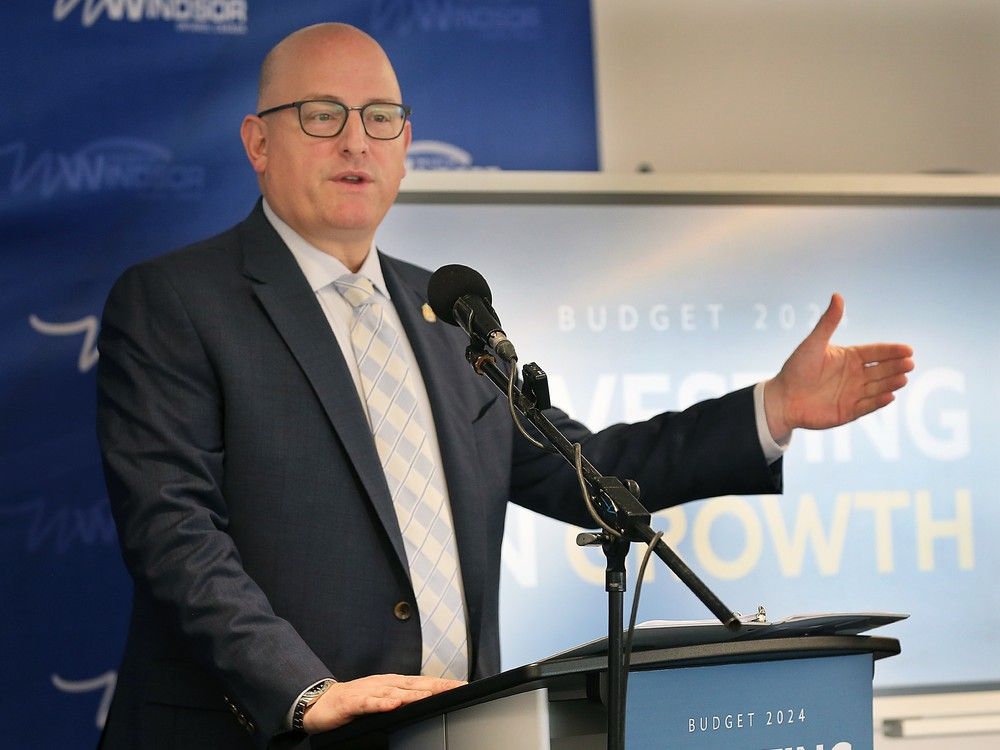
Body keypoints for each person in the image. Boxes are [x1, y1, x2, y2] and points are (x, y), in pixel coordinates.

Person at [95, 22, 914, 750]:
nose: (356, 141)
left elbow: (585, 469)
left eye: (382, 118)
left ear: (406, 146)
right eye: (322, 115)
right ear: (258, 141)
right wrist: (306, 691)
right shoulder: (177, 302)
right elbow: (175, 534)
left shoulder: (446, 312)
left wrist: (772, 410)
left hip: (452, 726)